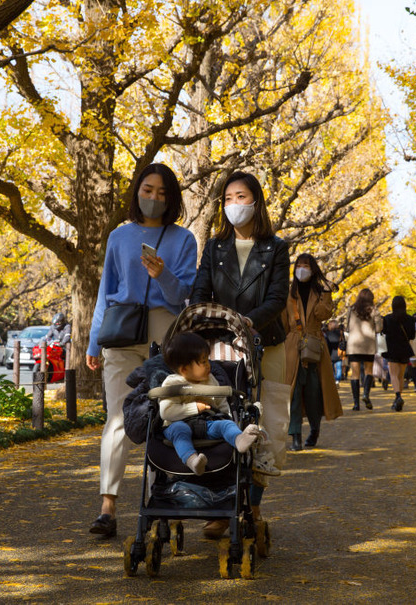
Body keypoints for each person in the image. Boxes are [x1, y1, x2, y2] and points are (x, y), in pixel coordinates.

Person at [86, 163, 198, 539]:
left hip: (164, 332)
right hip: (120, 331)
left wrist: (162, 273)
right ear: (137, 191)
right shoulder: (119, 237)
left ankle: (159, 502)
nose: (154, 198)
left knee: (164, 418)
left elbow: (182, 295)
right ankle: (107, 505)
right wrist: (92, 340)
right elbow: (106, 291)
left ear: (173, 199)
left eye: (163, 193)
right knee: (117, 418)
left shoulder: (184, 240)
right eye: (148, 190)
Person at [190, 170, 290, 534]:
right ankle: (220, 507)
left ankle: (254, 506)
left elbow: (277, 298)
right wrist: (208, 322)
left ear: (257, 201)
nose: (235, 204)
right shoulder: (214, 248)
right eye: (229, 198)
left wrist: (249, 321)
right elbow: (201, 293)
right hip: (221, 346)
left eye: (242, 197)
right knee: (220, 420)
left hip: (266, 342)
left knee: (264, 424)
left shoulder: (276, 248)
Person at [159, 332, 261, 474]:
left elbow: (221, 402)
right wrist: (195, 408)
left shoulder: (210, 379)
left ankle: (239, 439)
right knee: (179, 430)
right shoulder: (172, 383)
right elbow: (166, 412)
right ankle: (193, 460)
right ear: (184, 369)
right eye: (203, 362)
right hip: (178, 424)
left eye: (208, 360)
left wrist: (228, 417)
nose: (209, 365)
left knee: (225, 425)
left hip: (207, 424)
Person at [282, 254, 342, 451]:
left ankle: (315, 429)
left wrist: (325, 293)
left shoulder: (320, 291)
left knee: (314, 391)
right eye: (298, 265)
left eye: (305, 265)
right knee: (294, 392)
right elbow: (283, 321)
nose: (301, 269)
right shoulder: (289, 292)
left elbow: (322, 314)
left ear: (313, 268)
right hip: (292, 347)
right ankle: (296, 436)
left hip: (315, 345)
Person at [345, 288, 382, 410]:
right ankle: (366, 394)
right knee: (368, 371)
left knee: (354, 374)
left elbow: (347, 326)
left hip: (354, 345)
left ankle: (356, 404)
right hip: (368, 344)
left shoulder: (351, 309)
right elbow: (379, 328)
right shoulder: (373, 310)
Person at [381, 296, 416, 411]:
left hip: (392, 349)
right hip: (404, 349)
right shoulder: (410, 319)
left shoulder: (387, 318)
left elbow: (383, 332)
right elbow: (412, 336)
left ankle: (398, 396)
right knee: (400, 376)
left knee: (393, 375)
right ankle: (398, 399)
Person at [323, 320, 344, 386]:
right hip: (338, 353)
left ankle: (333, 380)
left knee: (332, 369)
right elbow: (343, 342)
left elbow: (327, 344)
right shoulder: (340, 333)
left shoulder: (327, 333)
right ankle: (337, 380)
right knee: (339, 368)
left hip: (330, 353)